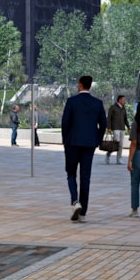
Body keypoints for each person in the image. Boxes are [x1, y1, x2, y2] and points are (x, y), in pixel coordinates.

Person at [61, 76, 107, 223]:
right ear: (90, 86)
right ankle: (83, 213)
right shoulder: (97, 103)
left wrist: (65, 141)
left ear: (80, 85)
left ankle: (75, 202)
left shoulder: (71, 101)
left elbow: (65, 123)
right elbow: (103, 124)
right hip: (89, 145)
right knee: (85, 177)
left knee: (71, 173)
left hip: (72, 143)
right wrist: (97, 140)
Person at [106, 95, 128, 164]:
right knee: (115, 143)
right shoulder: (112, 107)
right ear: (119, 100)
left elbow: (125, 119)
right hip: (115, 128)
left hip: (122, 128)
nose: (125, 101)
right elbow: (109, 118)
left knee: (121, 144)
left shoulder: (124, 108)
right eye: (124, 100)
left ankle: (119, 159)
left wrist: (128, 127)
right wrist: (109, 127)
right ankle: (108, 154)